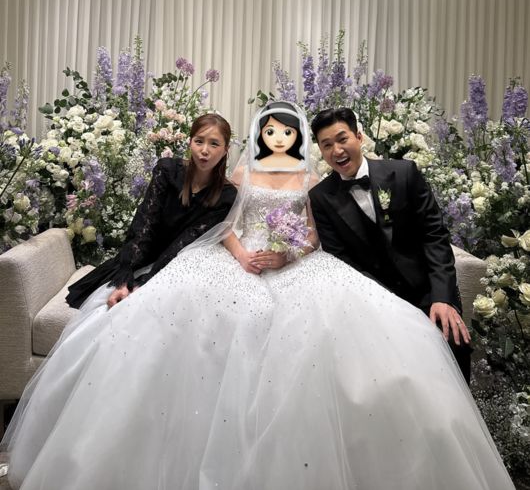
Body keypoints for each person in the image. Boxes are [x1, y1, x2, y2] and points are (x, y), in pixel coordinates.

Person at [2, 102, 514, 489]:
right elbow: (223, 222)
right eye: (270, 130)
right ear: (259, 134)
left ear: (299, 137)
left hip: (292, 264)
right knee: (185, 315)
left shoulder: (313, 179)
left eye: (287, 131)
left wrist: (288, 254)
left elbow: (313, 233)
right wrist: (244, 252)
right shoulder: (242, 173)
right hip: (236, 258)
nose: (278, 137)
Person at [309, 107, 473, 382]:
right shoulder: (321, 197)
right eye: (327, 145)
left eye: (342, 139)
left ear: (359, 137)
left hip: (427, 291)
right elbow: (342, 261)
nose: (337, 150)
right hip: (375, 300)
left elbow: (434, 236)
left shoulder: (404, 172)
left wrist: (442, 298)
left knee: (452, 342)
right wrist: (387, 307)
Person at [65, 112, 238, 310]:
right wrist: (127, 272)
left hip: (175, 267)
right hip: (141, 254)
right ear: (190, 142)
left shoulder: (226, 195)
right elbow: (145, 222)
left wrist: (147, 280)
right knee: (105, 304)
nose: (204, 150)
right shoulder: (168, 170)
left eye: (214, 144)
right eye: (199, 141)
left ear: (225, 150)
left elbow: (185, 242)